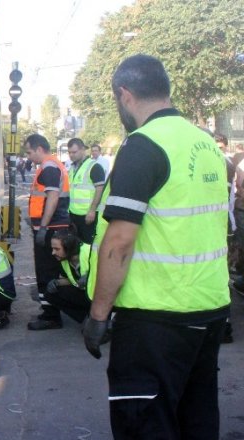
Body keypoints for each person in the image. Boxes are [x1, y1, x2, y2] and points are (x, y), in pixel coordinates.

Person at [83, 54, 230, 439]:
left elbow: (119, 242)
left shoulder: (143, 145)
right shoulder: (205, 143)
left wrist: (98, 315)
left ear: (124, 95)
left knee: (145, 423)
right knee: (196, 418)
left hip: (156, 318)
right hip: (209, 307)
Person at [24, 133, 71, 331]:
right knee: (48, 270)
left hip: (50, 228)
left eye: (29, 152)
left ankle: (51, 316)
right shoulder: (50, 165)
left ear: (39, 149)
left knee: (46, 271)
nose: (28, 157)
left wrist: (43, 227)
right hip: (51, 226)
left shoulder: (49, 167)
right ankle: (49, 311)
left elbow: (52, 198)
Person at [44, 231, 91, 323]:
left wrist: (90, 277)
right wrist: (56, 282)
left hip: (101, 295)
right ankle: (86, 318)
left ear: (68, 247)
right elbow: (72, 280)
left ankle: (100, 319)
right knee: (50, 294)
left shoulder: (90, 253)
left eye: (57, 249)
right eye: (53, 249)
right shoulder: (64, 259)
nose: (53, 252)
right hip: (86, 292)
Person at [66, 138, 106, 243]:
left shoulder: (94, 166)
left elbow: (100, 190)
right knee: (75, 245)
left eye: (74, 152)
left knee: (87, 245)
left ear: (83, 149)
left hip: (87, 215)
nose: (71, 155)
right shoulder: (72, 168)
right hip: (74, 215)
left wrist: (92, 210)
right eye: (69, 152)